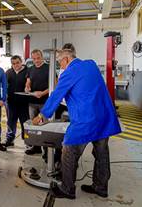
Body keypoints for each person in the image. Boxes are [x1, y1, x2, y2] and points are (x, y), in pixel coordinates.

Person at [33, 49, 121, 199]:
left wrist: (42, 114)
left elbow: (57, 94)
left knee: (69, 150)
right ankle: (101, 187)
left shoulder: (69, 72)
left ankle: (67, 189)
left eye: (60, 62)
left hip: (86, 119)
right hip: (104, 116)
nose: (60, 66)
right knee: (102, 152)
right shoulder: (91, 65)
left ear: (66, 59)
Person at [24, 49, 49, 155]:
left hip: (45, 103)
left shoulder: (48, 68)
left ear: (42, 57)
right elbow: (28, 82)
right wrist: (27, 88)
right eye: (34, 59)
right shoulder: (30, 69)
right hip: (32, 102)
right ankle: (36, 147)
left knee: (45, 126)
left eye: (38, 58)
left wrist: (42, 93)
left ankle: (48, 150)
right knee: (34, 126)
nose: (36, 60)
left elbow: (55, 86)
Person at [5, 55, 29, 147]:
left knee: (25, 123)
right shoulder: (8, 73)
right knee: (11, 121)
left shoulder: (27, 72)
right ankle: (10, 139)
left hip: (24, 103)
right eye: (13, 64)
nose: (15, 65)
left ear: (21, 62)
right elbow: (5, 86)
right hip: (11, 103)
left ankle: (27, 141)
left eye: (17, 63)